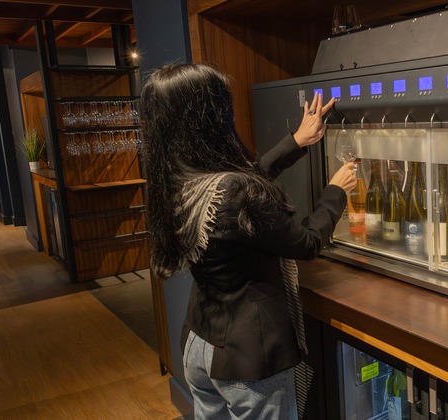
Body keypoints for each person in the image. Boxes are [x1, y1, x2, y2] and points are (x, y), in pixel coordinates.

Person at [141, 63, 356, 419]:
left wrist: (296, 141)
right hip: (246, 359)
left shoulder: (176, 181)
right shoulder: (234, 192)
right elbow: (305, 243)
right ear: (207, 119)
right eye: (223, 107)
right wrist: (336, 192)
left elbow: (239, 188)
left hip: (200, 343)